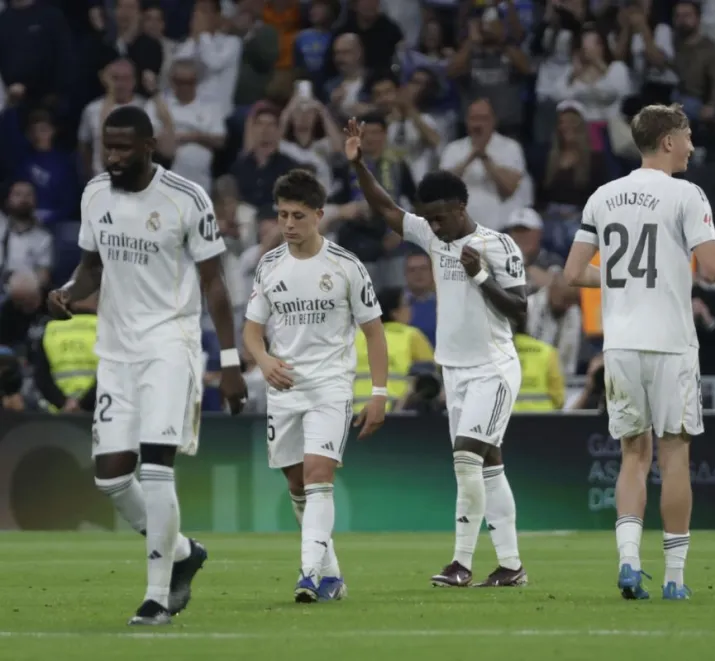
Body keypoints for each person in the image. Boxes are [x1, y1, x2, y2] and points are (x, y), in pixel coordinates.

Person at [561, 103, 715, 601]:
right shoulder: (686, 194)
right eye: (689, 136)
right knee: (675, 457)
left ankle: (629, 562)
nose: (694, 146)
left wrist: (619, 281)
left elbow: (573, 273)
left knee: (632, 456)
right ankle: (675, 577)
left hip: (621, 346)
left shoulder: (603, 196)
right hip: (671, 345)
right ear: (670, 140)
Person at [46, 105, 248, 626]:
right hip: (115, 351)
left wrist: (229, 363)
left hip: (169, 345)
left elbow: (215, 287)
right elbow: (92, 268)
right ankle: (182, 552)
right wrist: (68, 292)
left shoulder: (186, 198)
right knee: (111, 480)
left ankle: (158, 596)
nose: (112, 156)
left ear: (149, 146)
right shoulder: (95, 194)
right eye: (106, 146)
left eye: (122, 147)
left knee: (157, 469)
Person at [344, 117, 529, 588]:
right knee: (489, 466)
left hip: (493, 368)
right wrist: (360, 165)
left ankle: (461, 564)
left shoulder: (497, 246)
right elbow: (385, 209)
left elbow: (520, 314)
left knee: (467, 459)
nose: (435, 226)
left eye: (442, 217)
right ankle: (511, 567)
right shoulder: (432, 234)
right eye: (429, 218)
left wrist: (482, 276)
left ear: (462, 207)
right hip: (456, 371)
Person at [242, 168, 388, 604]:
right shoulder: (269, 265)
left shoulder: (345, 265)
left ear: (320, 215)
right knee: (296, 486)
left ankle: (307, 574)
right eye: (283, 215)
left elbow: (375, 333)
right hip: (284, 389)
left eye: (298, 216)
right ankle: (332, 575)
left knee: (318, 475)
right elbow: (251, 329)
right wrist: (264, 359)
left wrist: (378, 394)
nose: (288, 224)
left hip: (330, 386)